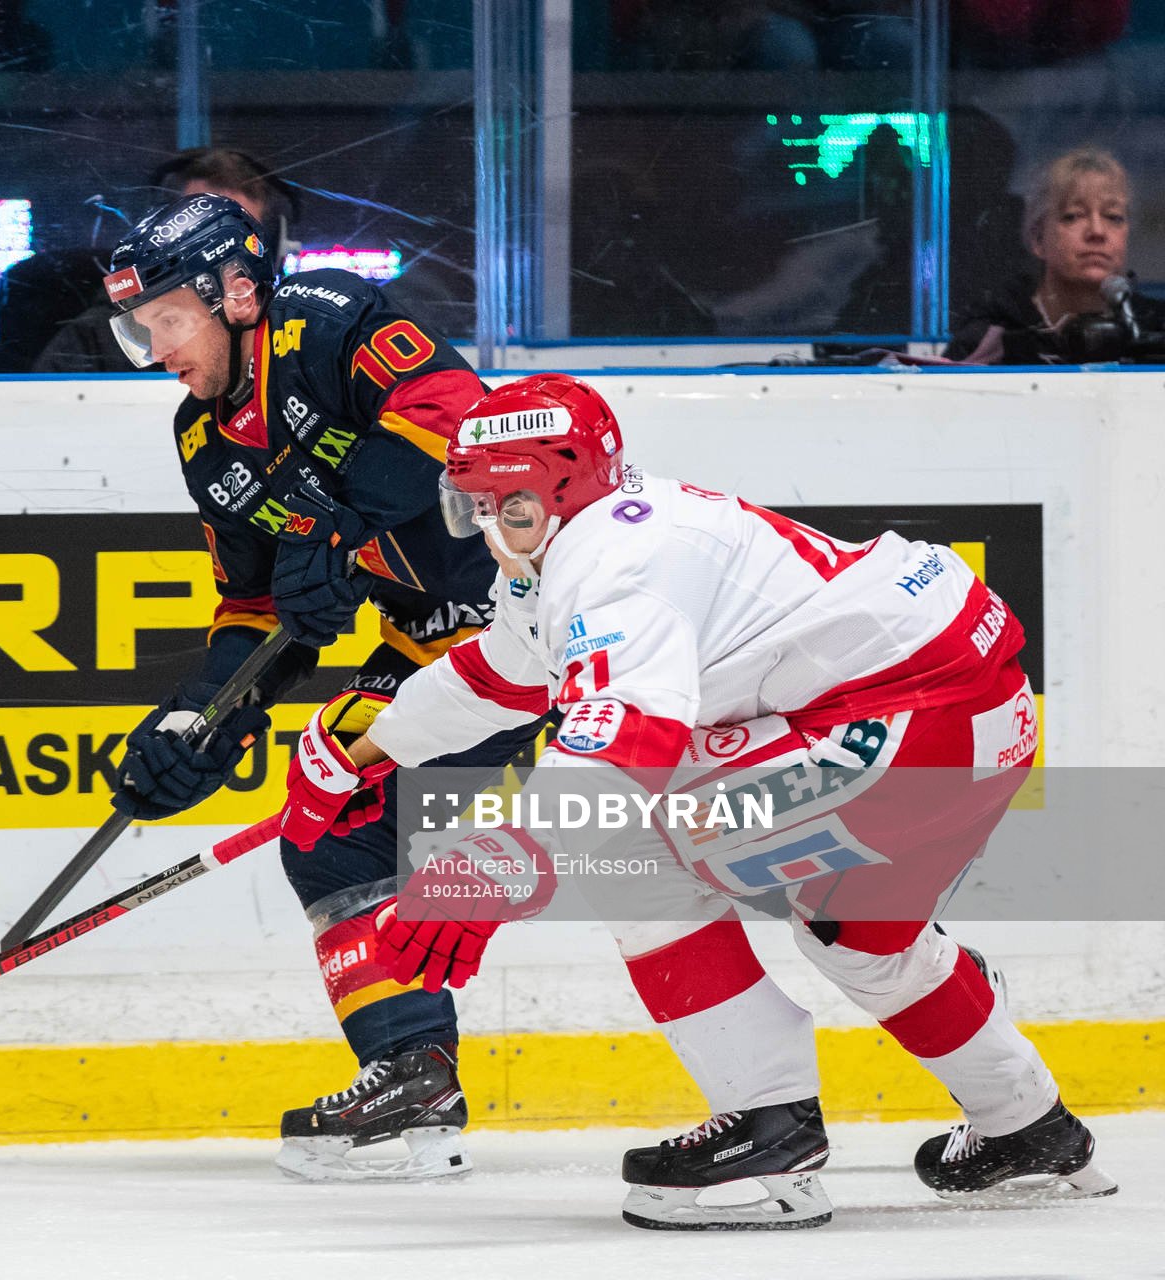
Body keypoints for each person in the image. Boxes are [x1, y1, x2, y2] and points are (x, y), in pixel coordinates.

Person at [279, 373, 1115, 1227]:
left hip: (904, 731)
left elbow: (622, 751)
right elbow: (507, 670)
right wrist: (358, 750)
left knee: (628, 844)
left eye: (507, 505)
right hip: (963, 720)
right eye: (474, 506)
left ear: (564, 486)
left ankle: (768, 1135)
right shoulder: (576, 534)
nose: (489, 529)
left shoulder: (615, 564)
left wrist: (498, 867)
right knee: (860, 940)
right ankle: (1027, 1127)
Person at [102, 193, 548, 1181]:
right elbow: (254, 606)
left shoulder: (329, 316)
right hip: (432, 642)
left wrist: (342, 530)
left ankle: (920, 976)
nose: (158, 348)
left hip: (550, 617)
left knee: (719, 833)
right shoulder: (203, 443)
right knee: (326, 824)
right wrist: (201, 717)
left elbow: (459, 421)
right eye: (142, 328)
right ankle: (411, 1071)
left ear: (236, 290)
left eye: (169, 319)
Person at [32, 148, 297, 374]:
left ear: (273, 252)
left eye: (232, 240)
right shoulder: (93, 343)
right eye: (197, 236)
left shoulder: (296, 338)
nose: (214, 258)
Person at [945, 146, 1165, 363]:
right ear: (1038, 238)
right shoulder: (990, 340)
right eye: (1073, 216)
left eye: (1113, 217)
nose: (1097, 231)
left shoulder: (1156, 331)